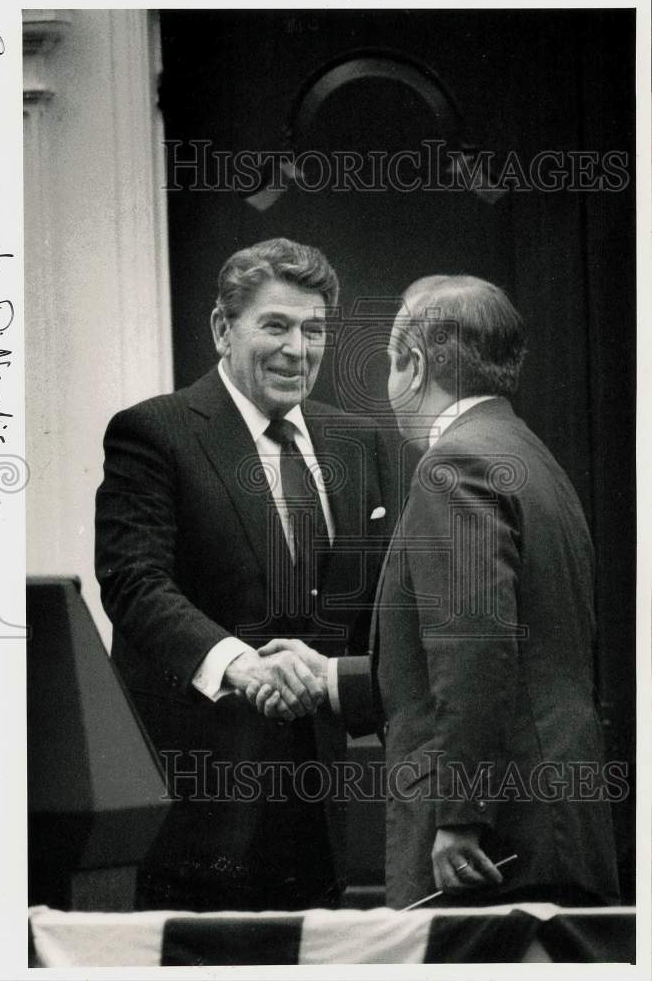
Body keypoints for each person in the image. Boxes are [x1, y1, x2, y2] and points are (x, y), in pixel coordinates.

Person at [258, 274, 621, 909]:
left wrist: (461, 815)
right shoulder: (532, 459)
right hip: (547, 824)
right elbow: (512, 658)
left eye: (389, 361)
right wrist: (330, 678)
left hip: (490, 843)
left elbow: (477, 654)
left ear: (415, 364)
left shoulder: (455, 464)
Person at [95, 238, 395, 911]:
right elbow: (134, 584)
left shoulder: (357, 443)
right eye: (276, 325)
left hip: (319, 816)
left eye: (314, 330)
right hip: (201, 812)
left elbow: (375, 609)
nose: (298, 348)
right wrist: (241, 666)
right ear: (221, 329)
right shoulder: (154, 433)